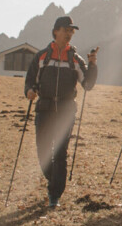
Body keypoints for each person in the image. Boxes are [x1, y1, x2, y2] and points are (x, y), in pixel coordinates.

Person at [24, 15, 98, 208]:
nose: (69, 34)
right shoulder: (41, 57)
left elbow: (87, 85)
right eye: (66, 30)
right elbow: (30, 81)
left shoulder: (75, 59)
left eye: (71, 32)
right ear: (56, 31)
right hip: (44, 108)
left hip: (66, 110)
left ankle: (55, 193)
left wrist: (92, 65)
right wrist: (29, 91)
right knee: (43, 151)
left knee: (60, 152)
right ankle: (53, 179)